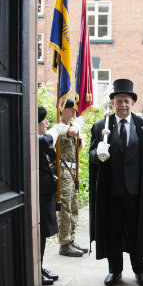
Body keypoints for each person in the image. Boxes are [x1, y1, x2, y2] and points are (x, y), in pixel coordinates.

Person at [89, 78, 143, 286]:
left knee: (135, 231)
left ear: (132, 103)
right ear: (112, 103)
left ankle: (140, 269)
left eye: (126, 101)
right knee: (112, 230)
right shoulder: (101, 126)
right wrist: (97, 154)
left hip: (135, 191)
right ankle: (115, 270)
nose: (122, 105)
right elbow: (92, 155)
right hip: (110, 190)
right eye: (119, 100)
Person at [38, 106, 73, 286]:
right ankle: (36, 270)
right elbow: (45, 141)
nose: (46, 122)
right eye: (42, 120)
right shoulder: (36, 140)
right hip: (39, 195)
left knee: (43, 234)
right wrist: (56, 129)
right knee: (39, 234)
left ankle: (40, 266)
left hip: (46, 194)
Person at [58, 99, 88, 257]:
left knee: (74, 205)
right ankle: (64, 242)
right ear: (64, 109)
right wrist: (78, 124)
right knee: (66, 207)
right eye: (72, 109)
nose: (75, 112)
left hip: (72, 171)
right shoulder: (60, 125)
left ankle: (71, 238)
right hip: (64, 172)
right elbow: (71, 131)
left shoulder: (70, 126)